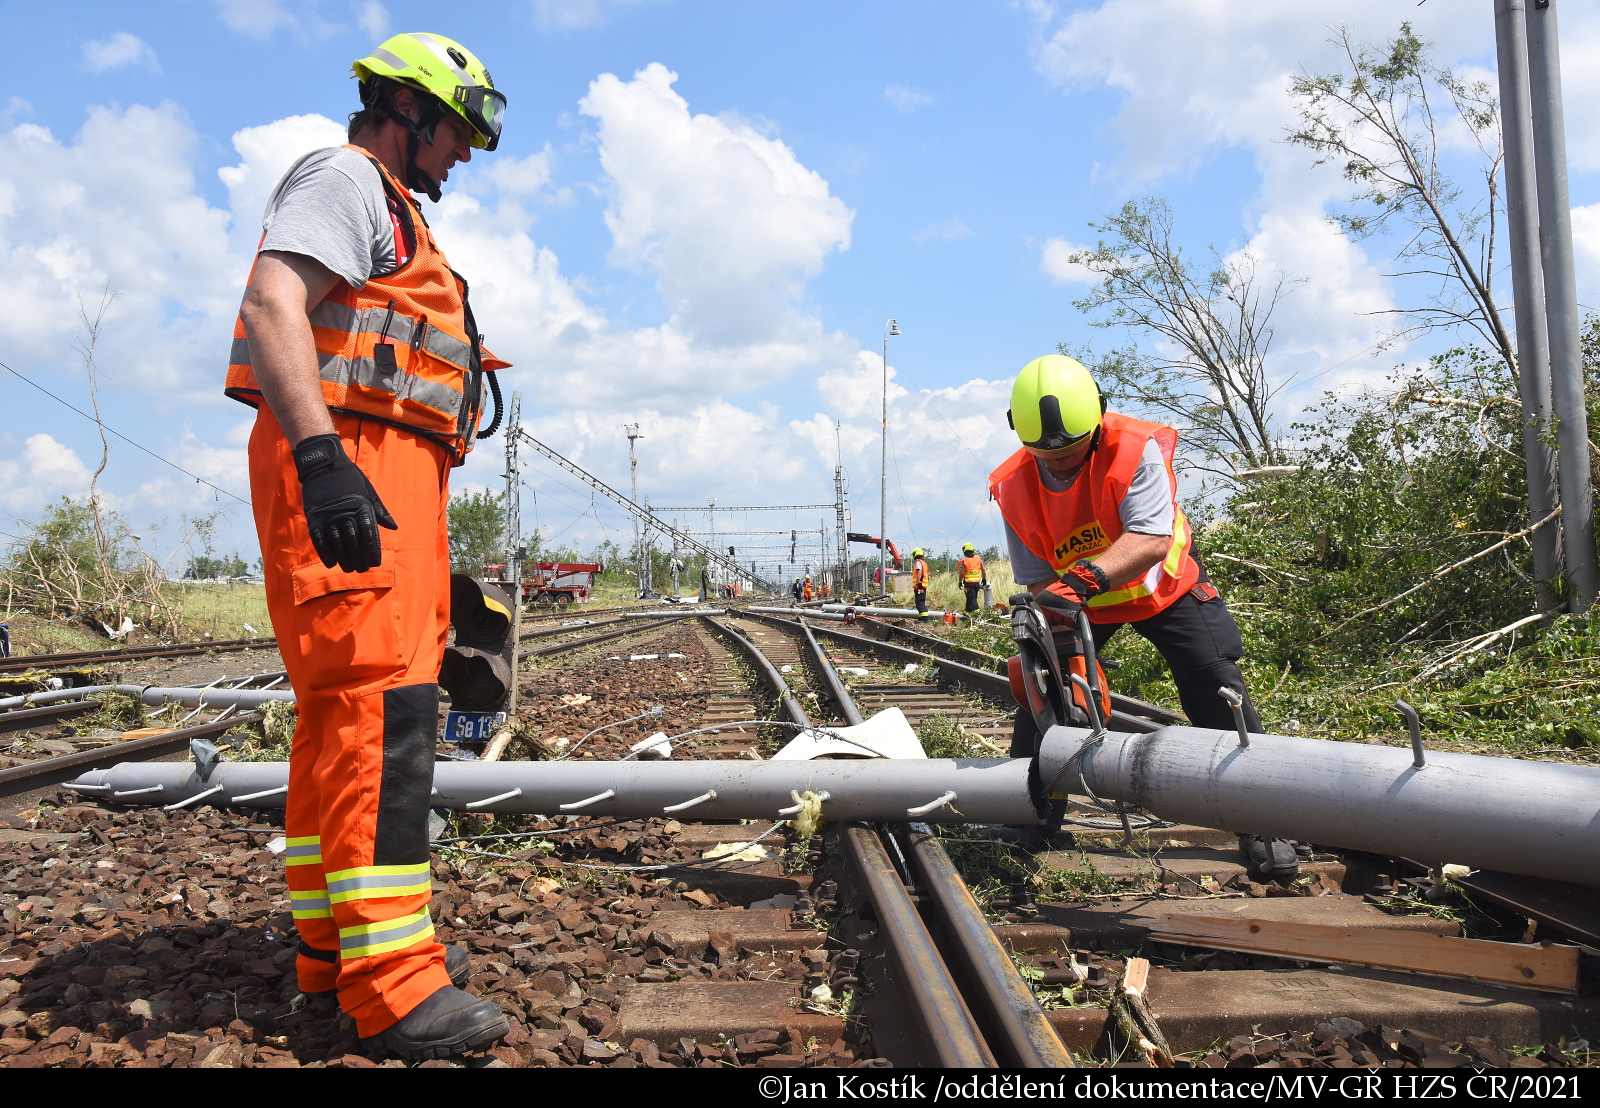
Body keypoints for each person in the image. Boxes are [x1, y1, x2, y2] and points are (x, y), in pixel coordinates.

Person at [223, 33, 513, 1059]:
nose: (464, 153)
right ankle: (391, 985)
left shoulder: (391, 209)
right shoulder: (345, 179)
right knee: (382, 721)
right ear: (407, 109)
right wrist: (321, 457)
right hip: (355, 476)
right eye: (458, 131)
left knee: (340, 719)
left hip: (389, 481)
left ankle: (336, 947)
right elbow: (272, 301)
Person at [989, 355, 1295, 881]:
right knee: (1043, 690)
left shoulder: (1134, 448)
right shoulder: (1013, 483)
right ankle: (1030, 817)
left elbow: (1152, 538)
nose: (1060, 464)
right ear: (1019, 432)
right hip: (1078, 599)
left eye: (1071, 451)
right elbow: (1037, 576)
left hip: (1165, 590)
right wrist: (1061, 642)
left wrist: (1082, 581)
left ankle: (1263, 821)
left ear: (1098, 418)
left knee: (1215, 683)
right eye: (1046, 455)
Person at [957, 543, 987, 613]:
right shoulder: (978, 559)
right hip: (976, 583)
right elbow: (983, 570)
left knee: (972, 599)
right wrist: (984, 578)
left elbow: (962, 573)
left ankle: (978, 614)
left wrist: (960, 582)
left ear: (964, 551)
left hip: (969, 583)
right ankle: (968, 612)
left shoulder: (964, 561)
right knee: (970, 598)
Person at [910, 548, 930, 613]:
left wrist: (917, 584)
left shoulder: (918, 562)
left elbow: (919, 573)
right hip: (923, 585)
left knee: (919, 603)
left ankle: (924, 617)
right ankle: (923, 617)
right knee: (921, 602)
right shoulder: (924, 563)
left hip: (920, 585)